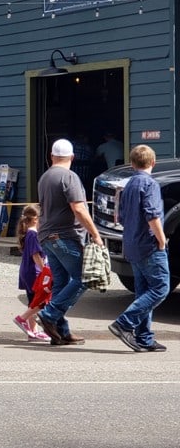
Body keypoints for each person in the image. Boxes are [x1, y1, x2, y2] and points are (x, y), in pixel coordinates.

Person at [36, 139, 103, 346]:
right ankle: (50, 314)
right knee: (84, 277)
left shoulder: (45, 177)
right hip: (64, 236)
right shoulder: (69, 177)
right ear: (72, 157)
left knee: (61, 283)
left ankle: (61, 331)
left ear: (51, 156)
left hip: (47, 237)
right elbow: (79, 208)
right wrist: (96, 234)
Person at [108, 145, 169, 352]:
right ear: (153, 162)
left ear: (133, 164)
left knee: (143, 291)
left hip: (132, 244)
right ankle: (124, 323)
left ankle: (144, 337)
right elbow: (152, 215)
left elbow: (121, 217)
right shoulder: (150, 184)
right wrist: (161, 240)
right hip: (149, 245)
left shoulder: (128, 185)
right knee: (161, 288)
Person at [12, 204, 51, 341]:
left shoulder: (28, 233)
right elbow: (36, 255)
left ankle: (33, 331)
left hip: (27, 271)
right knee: (41, 300)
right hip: (34, 272)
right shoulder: (33, 234)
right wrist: (45, 270)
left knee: (32, 300)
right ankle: (23, 319)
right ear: (35, 219)